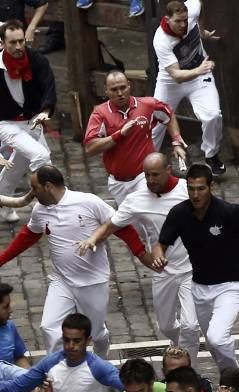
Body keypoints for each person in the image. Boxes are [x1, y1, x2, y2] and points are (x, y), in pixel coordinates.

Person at [0, 165, 150, 357]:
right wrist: (2, 260)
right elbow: (28, 236)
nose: (32, 193)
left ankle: (100, 363)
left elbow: (121, 226)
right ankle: (55, 374)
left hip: (92, 281)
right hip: (62, 281)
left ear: (48, 186)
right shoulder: (40, 210)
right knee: (48, 327)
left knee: (96, 333)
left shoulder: (88, 202)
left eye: (34, 187)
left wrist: (141, 253)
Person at [78, 152, 201, 362]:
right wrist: (92, 239)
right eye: (146, 175)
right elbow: (111, 225)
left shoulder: (188, 191)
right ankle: (178, 345)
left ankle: (188, 370)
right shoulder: (136, 199)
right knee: (166, 325)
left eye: (155, 175)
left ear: (168, 170)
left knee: (190, 325)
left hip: (193, 269)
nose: (150, 180)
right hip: (163, 271)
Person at [154, 163, 239, 369]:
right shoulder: (179, 214)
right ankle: (229, 378)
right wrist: (159, 256)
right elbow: (161, 244)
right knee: (214, 346)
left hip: (230, 286)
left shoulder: (228, 212)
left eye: (201, 188)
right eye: (191, 188)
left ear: (211, 187)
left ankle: (236, 381)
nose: (196, 194)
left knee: (217, 338)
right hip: (199, 288)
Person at [82, 71, 186, 205]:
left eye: (123, 87)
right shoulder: (100, 114)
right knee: (131, 222)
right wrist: (119, 135)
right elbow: (90, 148)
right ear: (106, 91)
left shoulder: (147, 105)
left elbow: (168, 114)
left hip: (142, 177)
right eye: (114, 90)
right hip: (117, 183)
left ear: (129, 86)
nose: (120, 93)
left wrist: (176, 141)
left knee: (145, 210)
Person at [151, 0, 225, 175]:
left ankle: (211, 154)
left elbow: (199, 5)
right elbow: (176, 76)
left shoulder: (192, 9)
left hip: (200, 76)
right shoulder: (161, 40)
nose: (183, 25)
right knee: (156, 122)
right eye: (178, 21)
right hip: (171, 82)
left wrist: (203, 32)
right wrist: (199, 69)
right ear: (167, 19)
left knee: (212, 115)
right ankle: (147, 162)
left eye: (185, 20)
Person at [0, 19, 54, 224]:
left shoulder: (36, 59)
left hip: (32, 121)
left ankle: (2, 203)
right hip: (6, 124)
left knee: (20, 163)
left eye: (21, 41)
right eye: (12, 42)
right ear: (2, 43)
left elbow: (49, 84)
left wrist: (46, 110)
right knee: (41, 156)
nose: (18, 46)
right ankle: (50, 207)